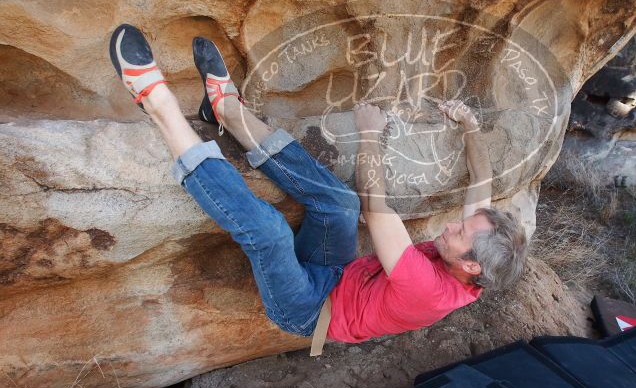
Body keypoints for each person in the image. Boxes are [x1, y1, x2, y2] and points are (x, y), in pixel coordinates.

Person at [108, 24, 528, 350]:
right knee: (337, 202)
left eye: (460, 232)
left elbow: (376, 208)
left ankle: (158, 104)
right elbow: (482, 184)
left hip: (309, 309)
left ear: (471, 266)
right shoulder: (477, 261)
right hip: (336, 273)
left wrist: (369, 133)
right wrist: (470, 126)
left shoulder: (429, 290)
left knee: (271, 230)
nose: (453, 226)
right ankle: (228, 112)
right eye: (463, 222)